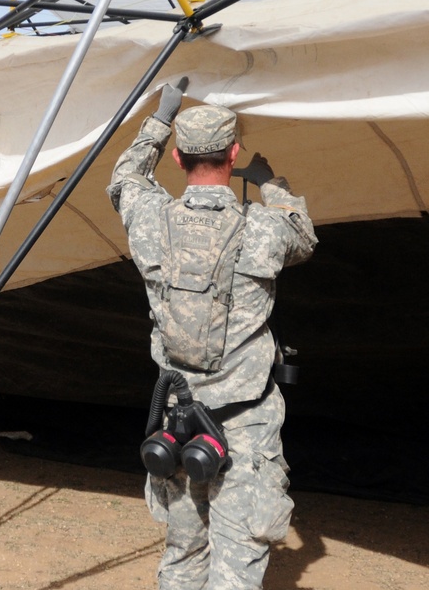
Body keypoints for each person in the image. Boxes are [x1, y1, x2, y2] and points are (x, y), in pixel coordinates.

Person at [106, 80, 318, 590]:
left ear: (178, 158)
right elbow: (304, 233)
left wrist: (160, 119)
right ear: (234, 154)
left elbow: (125, 178)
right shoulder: (265, 228)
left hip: (177, 420)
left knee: (182, 552)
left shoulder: (149, 218)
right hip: (244, 423)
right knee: (237, 561)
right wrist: (269, 183)